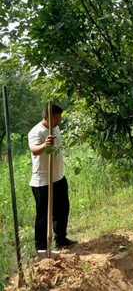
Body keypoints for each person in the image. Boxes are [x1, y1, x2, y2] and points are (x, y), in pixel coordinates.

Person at [28, 103, 77, 252]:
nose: (58, 121)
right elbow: (34, 150)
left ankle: (61, 239)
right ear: (46, 117)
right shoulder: (36, 132)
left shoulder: (55, 127)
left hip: (58, 178)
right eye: (56, 118)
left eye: (59, 118)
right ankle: (41, 247)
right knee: (43, 216)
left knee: (62, 210)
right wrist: (45, 145)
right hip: (42, 181)